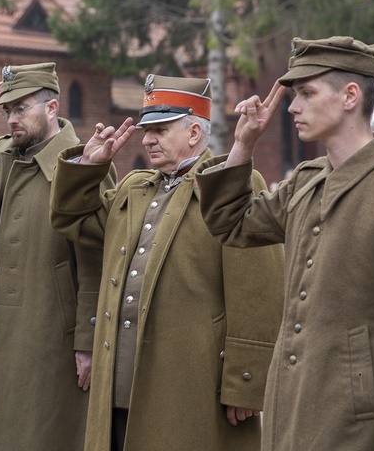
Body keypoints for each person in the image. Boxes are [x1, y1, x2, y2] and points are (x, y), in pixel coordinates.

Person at [196, 36, 374, 451]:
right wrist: (243, 143)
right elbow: (230, 224)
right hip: (294, 414)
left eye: (306, 93)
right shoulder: (305, 182)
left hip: (361, 428)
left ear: (350, 96)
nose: (292, 107)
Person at [49, 74, 285, 451]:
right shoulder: (134, 188)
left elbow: (258, 291)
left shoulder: (230, 184)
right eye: (146, 130)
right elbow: (74, 221)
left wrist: (246, 380)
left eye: (159, 129)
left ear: (194, 133)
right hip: (119, 382)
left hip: (191, 384)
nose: (147, 140)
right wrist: (86, 169)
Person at [0, 62, 116, 451]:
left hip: (45, 336)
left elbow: (96, 258)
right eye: (8, 110)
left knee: (36, 435)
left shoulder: (83, 162)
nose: (12, 119)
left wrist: (87, 338)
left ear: (52, 108)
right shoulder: (0, 154)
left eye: (22, 108)